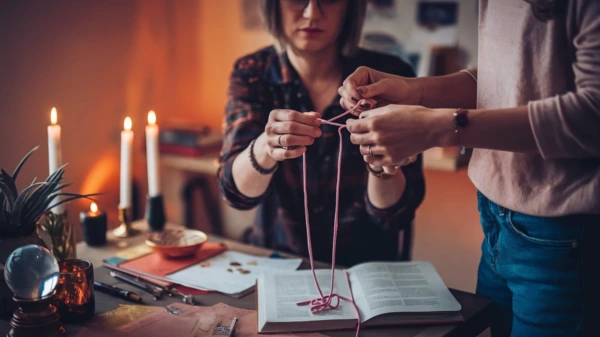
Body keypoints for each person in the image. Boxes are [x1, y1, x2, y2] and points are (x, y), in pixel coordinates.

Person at [338, 0, 600, 336]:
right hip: (494, 219)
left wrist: (439, 127)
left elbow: (592, 115)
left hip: (563, 231)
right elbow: (505, 77)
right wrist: (413, 90)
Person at [218, 0, 425, 266]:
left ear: (350, 7)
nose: (312, 13)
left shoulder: (390, 78)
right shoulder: (252, 73)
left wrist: (381, 163)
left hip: (369, 271)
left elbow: (395, 215)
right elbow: (235, 194)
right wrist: (265, 147)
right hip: (280, 262)